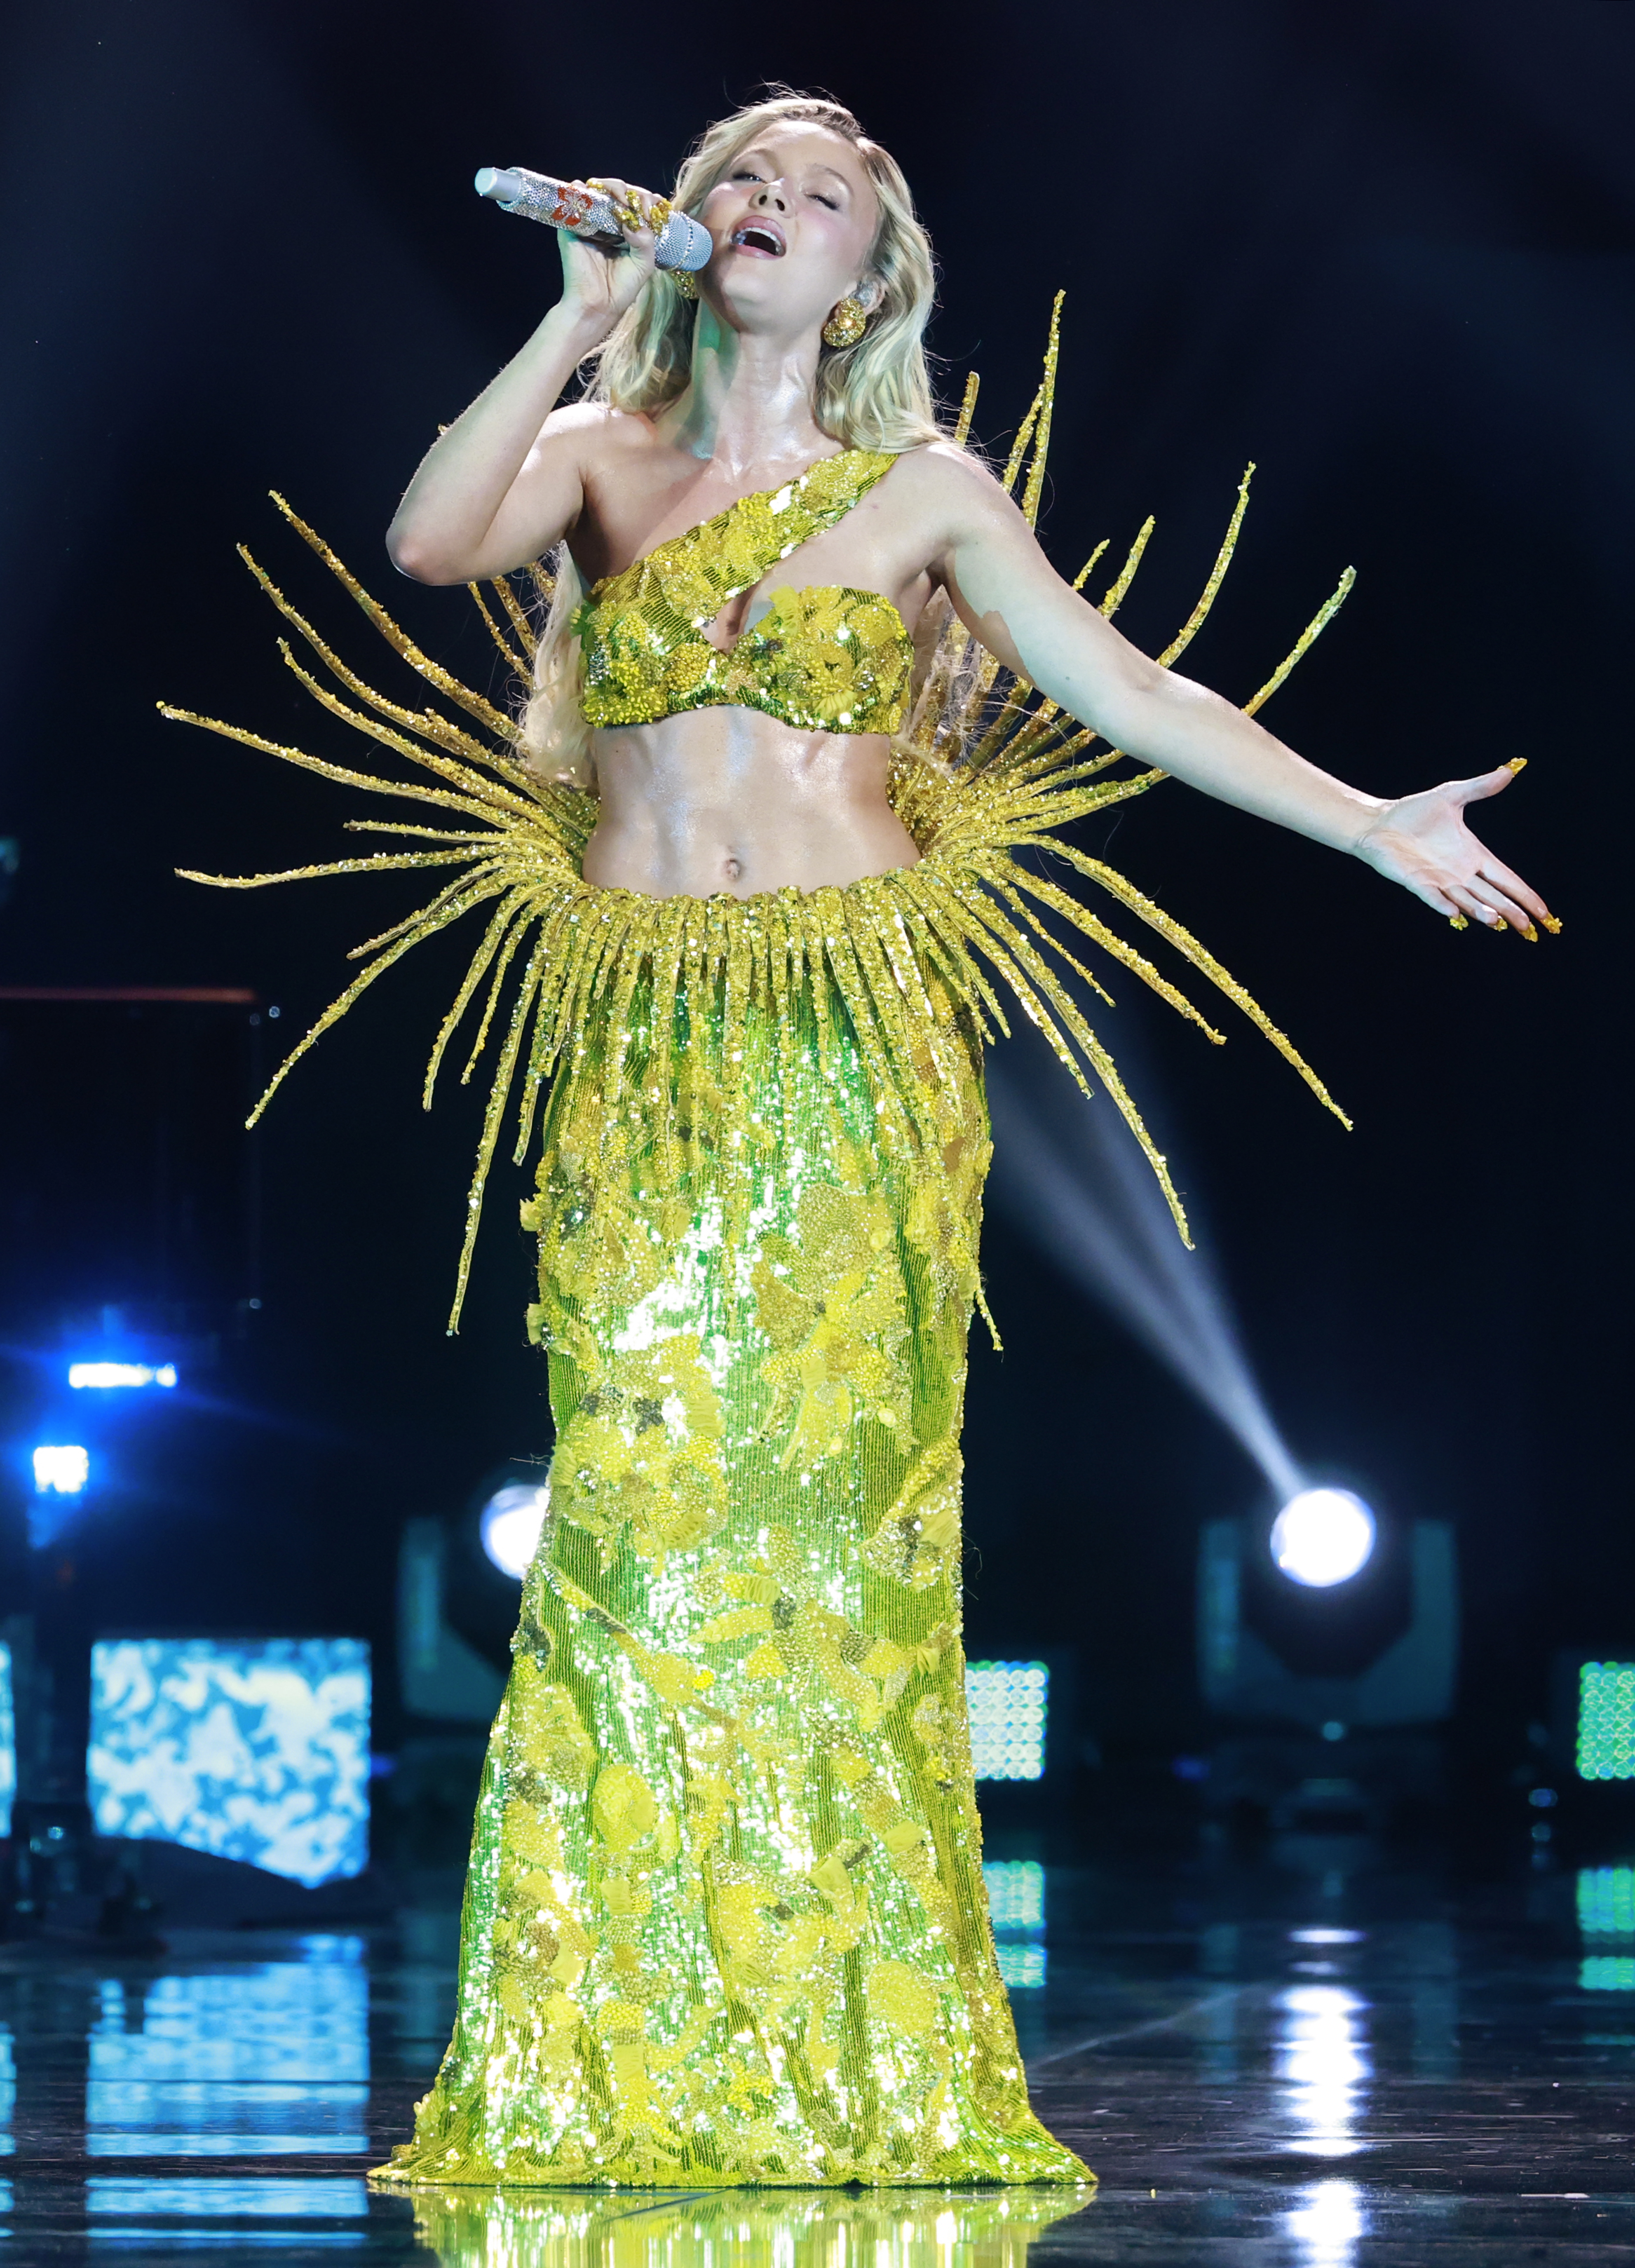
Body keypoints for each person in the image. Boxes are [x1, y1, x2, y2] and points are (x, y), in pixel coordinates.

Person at [172, 91, 1551, 2190]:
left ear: (864, 276)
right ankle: (620, 2042)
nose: (767, 204)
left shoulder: (923, 491)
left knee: (824, 1539)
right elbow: (430, 542)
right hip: (647, 1037)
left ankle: (841, 2045)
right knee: (635, 1530)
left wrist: (1368, 821)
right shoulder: (601, 454)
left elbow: (1131, 692)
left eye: (817, 194)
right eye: (742, 176)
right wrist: (570, 318)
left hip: (846, 1044)